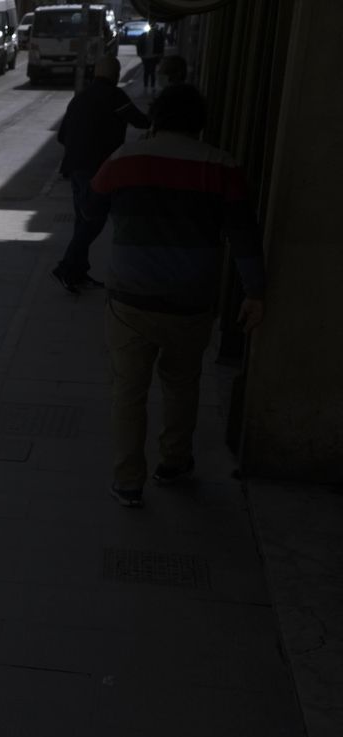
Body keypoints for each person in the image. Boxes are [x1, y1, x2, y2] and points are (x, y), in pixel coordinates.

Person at [88, 84, 265, 507]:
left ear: (157, 118)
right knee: (182, 384)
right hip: (192, 298)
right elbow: (244, 236)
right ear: (199, 123)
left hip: (131, 297)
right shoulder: (221, 165)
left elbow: (91, 208)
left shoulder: (125, 159)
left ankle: (129, 481)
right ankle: (174, 461)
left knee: (128, 391)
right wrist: (255, 291)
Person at [51, 56, 149, 293]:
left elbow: (61, 135)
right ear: (115, 75)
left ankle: (77, 271)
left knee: (83, 220)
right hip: (98, 169)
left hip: (75, 168)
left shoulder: (79, 98)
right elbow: (141, 122)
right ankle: (66, 267)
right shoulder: (115, 97)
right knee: (94, 220)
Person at [140, 23, 166, 92]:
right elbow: (139, 44)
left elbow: (160, 45)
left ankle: (151, 85)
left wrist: (160, 54)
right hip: (147, 56)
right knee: (148, 71)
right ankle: (147, 85)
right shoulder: (144, 36)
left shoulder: (156, 36)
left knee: (151, 72)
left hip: (152, 56)